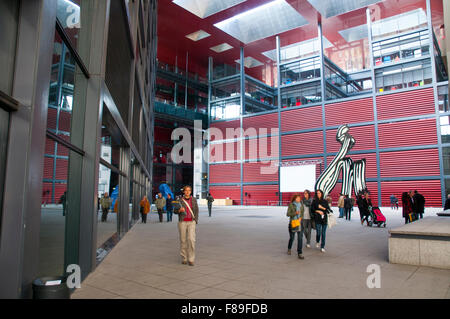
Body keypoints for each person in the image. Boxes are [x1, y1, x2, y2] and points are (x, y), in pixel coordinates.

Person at [174, 185, 199, 266]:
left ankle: (191, 259)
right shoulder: (180, 200)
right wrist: (179, 210)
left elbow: (196, 210)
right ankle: (184, 258)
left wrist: (195, 221)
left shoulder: (194, 200)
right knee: (183, 240)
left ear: (191, 192)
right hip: (182, 222)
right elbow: (174, 211)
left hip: (191, 222)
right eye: (186, 190)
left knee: (191, 240)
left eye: (189, 190)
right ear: (183, 191)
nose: (187, 192)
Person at [286, 194, 304, 259]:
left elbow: (302, 213)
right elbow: (288, 214)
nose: (299, 199)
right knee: (292, 238)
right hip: (293, 223)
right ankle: (289, 248)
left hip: (299, 223)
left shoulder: (301, 205)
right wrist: (295, 213)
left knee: (300, 238)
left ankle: (300, 253)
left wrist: (300, 218)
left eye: (299, 198)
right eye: (297, 198)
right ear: (295, 199)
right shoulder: (291, 205)